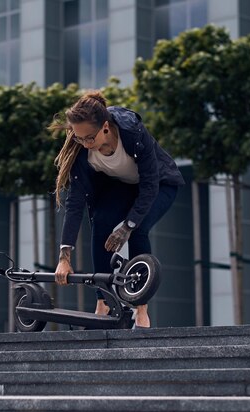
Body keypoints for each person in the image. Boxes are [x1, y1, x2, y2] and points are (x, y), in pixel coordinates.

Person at [50, 91, 185, 328]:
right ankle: (103, 301)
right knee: (101, 221)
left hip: (159, 185)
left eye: (89, 138)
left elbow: (150, 185)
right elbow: (75, 203)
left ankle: (140, 308)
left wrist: (127, 225)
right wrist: (64, 257)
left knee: (139, 229)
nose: (84, 144)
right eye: (78, 138)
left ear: (105, 127)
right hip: (123, 186)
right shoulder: (81, 148)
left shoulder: (132, 132)